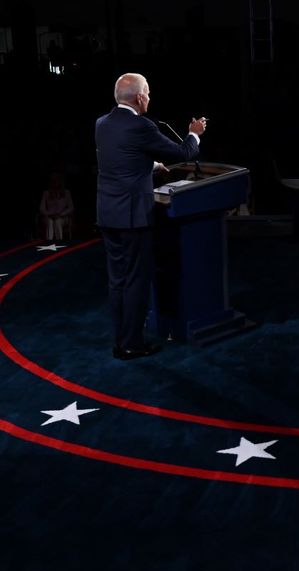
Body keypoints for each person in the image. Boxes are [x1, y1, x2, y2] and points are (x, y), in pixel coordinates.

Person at [95, 72, 207, 360]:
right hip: (133, 217)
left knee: (117, 281)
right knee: (136, 281)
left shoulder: (102, 123)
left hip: (108, 214)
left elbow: (121, 159)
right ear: (139, 97)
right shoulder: (141, 125)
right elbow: (183, 152)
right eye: (148, 92)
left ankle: (121, 340)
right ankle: (131, 345)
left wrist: (152, 165)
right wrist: (194, 132)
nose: (149, 97)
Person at [39, 172, 74, 240]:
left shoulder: (66, 193)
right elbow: (42, 208)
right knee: (50, 222)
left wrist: (61, 214)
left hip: (62, 217)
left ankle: (59, 242)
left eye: (57, 180)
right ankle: (49, 242)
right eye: (54, 180)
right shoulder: (46, 193)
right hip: (49, 216)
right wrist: (49, 214)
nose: (55, 182)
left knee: (58, 221)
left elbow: (71, 207)